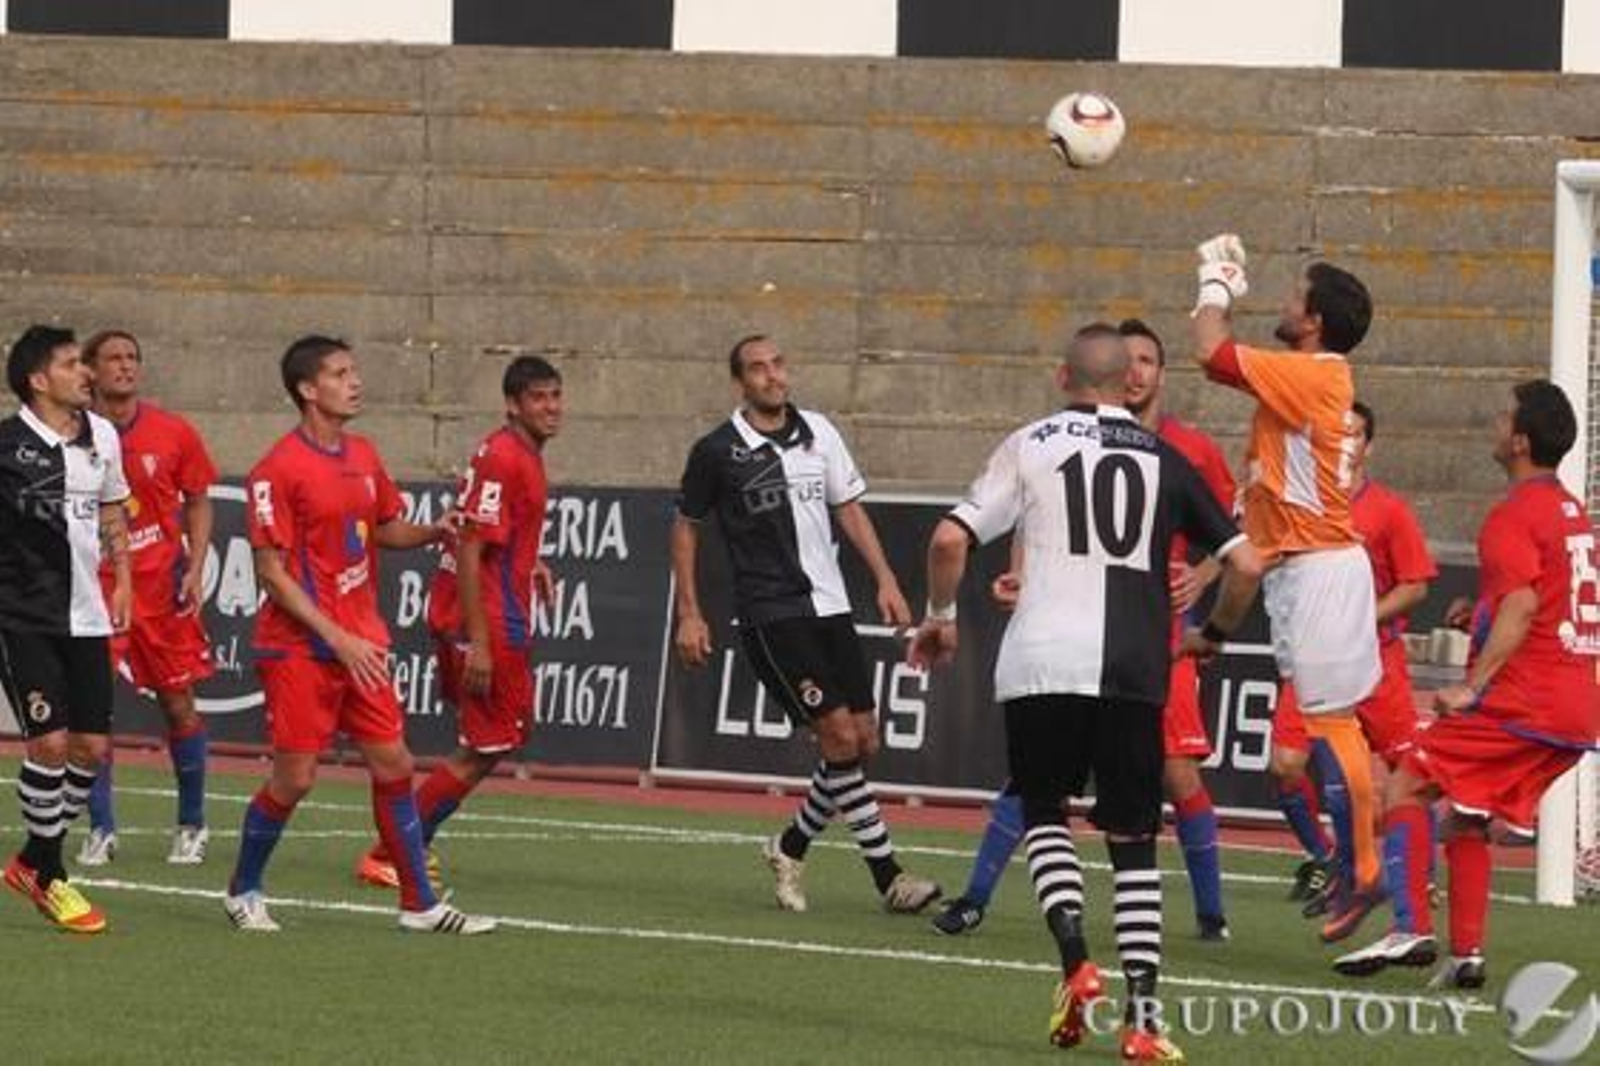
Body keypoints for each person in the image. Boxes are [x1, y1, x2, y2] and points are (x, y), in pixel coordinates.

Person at [909, 323, 1263, 1061]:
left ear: (1065, 377)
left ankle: (1074, 959)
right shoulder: (1165, 458)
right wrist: (1214, 636)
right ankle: (1142, 1019)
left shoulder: (1032, 443)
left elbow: (948, 541)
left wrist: (942, 619)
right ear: (1124, 382)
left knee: (1045, 812)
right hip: (1135, 670)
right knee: (1134, 841)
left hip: (1041, 664)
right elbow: (1248, 565)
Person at [222, 335, 493, 935]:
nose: (356, 382)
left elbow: (384, 528)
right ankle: (243, 889)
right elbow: (271, 572)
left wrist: (434, 530)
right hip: (299, 648)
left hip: (361, 642)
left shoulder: (364, 454)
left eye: (354, 372)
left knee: (394, 762)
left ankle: (418, 903)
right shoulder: (275, 470)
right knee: (295, 778)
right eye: (341, 373)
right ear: (307, 389)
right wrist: (335, 638)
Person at [1334, 380, 1600, 987]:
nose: (1494, 423)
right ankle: (1468, 954)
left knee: (1406, 784)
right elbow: (1542, 597)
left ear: (1521, 441)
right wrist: (1476, 611)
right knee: (1468, 817)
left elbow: (1524, 605)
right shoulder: (1569, 510)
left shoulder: (1511, 515)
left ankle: (1410, 926)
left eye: (1503, 418)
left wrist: (1472, 687)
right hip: (1576, 707)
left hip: (1523, 702)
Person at [673, 334, 940, 915]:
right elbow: (687, 525)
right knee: (839, 736)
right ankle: (889, 878)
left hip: (831, 605)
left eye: (777, 364)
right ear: (739, 381)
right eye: (757, 369)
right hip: (772, 611)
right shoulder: (719, 450)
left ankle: (789, 845)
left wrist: (886, 579)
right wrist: (691, 611)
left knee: (863, 740)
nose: (772, 376)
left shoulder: (819, 431)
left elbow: (848, 507)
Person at [1191, 236, 1385, 944]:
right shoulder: (1307, 380)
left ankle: (1366, 867)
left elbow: (1210, 350)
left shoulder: (1315, 376)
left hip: (1324, 571)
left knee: (1335, 728)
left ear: (1315, 322)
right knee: (1334, 728)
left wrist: (1216, 283)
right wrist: (1216, 627)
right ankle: (1361, 863)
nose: (1284, 300)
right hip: (1306, 569)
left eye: (1295, 295)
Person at [357, 356, 561, 888]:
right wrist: (480, 641)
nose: (551, 407)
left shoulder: (516, 453)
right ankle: (392, 850)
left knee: (497, 739)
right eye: (538, 398)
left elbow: (488, 533)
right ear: (513, 404)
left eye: (555, 396)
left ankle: (403, 844)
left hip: (488, 612)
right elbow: (470, 545)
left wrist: (528, 560)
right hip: (488, 621)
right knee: (483, 747)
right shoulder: (505, 457)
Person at [1273, 402, 1439, 920]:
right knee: (1284, 766)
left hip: (1376, 662)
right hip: (1314, 660)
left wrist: (1361, 616)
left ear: (1368, 447)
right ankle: (1332, 861)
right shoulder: (1302, 506)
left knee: (1408, 772)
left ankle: (1422, 879)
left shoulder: (1388, 511)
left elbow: (1415, 586)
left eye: (1355, 435)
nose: (1344, 443)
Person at [0, 325, 131, 933]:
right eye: (73, 363)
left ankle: (31, 861)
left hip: (89, 615)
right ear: (38, 379)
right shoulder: (5, 447)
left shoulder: (103, 435)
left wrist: (123, 578)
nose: (87, 372)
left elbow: (111, 507)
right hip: (21, 616)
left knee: (91, 750)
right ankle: (52, 877)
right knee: (49, 745)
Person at [75, 330, 218, 867]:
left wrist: (197, 566)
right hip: (97, 588)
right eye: (113, 358)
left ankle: (192, 824)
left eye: (132, 357)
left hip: (160, 587)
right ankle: (103, 828)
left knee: (178, 705)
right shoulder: (73, 433)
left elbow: (200, 499)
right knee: (93, 711)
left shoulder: (173, 432)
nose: (125, 366)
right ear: (89, 370)